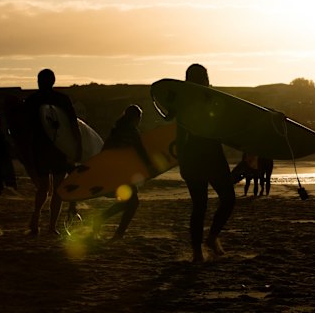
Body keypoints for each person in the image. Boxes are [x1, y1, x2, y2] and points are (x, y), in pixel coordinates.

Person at [170, 64, 236, 262]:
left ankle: (203, 247)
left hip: (196, 157)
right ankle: (207, 242)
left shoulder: (189, 102)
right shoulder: (198, 101)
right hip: (207, 156)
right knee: (223, 200)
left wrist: (182, 161)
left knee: (203, 205)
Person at [24, 68, 82, 235]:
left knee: (43, 188)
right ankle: (51, 227)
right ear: (53, 81)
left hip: (39, 149)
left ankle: (35, 221)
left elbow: (25, 128)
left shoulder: (32, 100)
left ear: (38, 81)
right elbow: (73, 125)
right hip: (59, 148)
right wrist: (78, 148)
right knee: (58, 189)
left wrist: (26, 153)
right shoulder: (62, 99)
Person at [93, 105, 156, 241]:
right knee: (132, 203)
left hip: (114, 172)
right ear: (135, 118)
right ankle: (117, 233)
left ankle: (102, 221)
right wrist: (151, 167)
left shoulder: (116, 131)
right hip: (122, 174)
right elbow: (141, 152)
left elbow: (105, 150)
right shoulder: (131, 132)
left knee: (128, 202)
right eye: (139, 118)